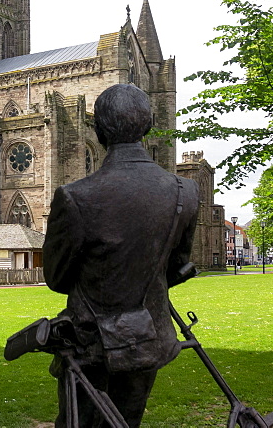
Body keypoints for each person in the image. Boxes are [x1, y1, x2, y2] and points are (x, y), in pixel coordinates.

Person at [43, 83, 199, 428]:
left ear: (98, 131)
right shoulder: (185, 191)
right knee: (128, 420)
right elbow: (176, 266)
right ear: (148, 125)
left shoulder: (74, 197)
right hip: (148, 335)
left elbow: (55, 278)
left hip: (92, 344)